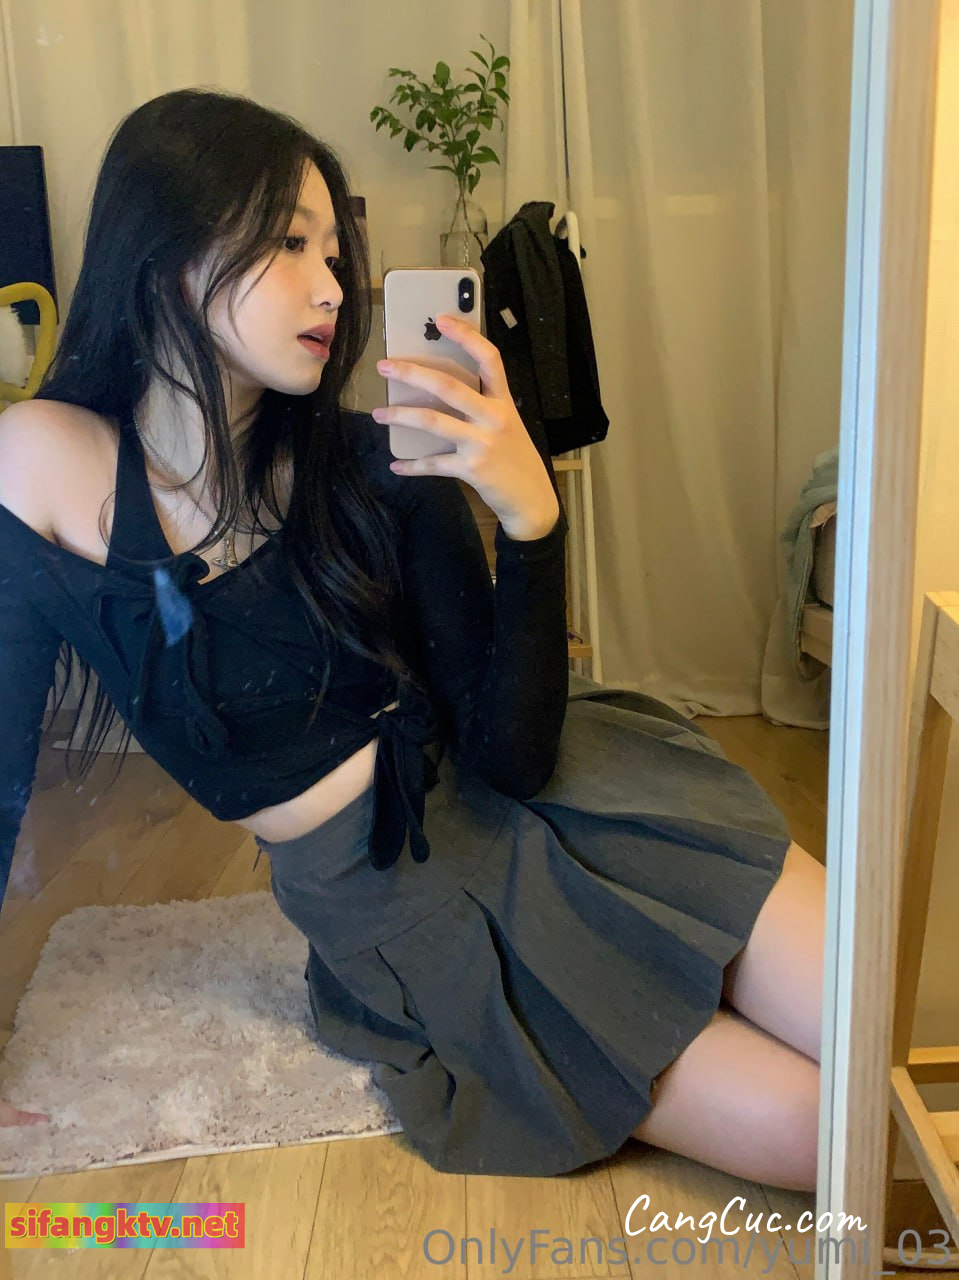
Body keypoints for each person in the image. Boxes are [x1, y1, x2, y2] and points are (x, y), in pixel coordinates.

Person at [0, 88, 825, 1192]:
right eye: (290, 242)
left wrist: (532, 521)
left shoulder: (378, 462)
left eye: (336, 253)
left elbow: (509, 757)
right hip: (411, 910)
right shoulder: (45, 460)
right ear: (168, 259)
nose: (333, 287)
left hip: (569, 797)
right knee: (827, 1134)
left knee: (868, 1025)